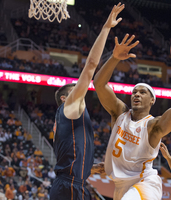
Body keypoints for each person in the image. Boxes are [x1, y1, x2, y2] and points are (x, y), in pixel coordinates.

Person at [93, 33, 171, 199]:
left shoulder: (153, 125)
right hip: (120, 186)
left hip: (144, 183)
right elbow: (99, 84)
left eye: (142, 92)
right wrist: (114, 58)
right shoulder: (119, 113)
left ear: (152, 100)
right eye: (134, 92)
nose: (136, 95)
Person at [49, 3, 125, 200]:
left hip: (71, 185)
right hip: (69, 187)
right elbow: (91, 66)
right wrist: (106, 28)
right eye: (75, 88)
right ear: (65, 98)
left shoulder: (69, 117)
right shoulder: (70, 106)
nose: (80, 89)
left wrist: (89, 166)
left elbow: (71, 153)